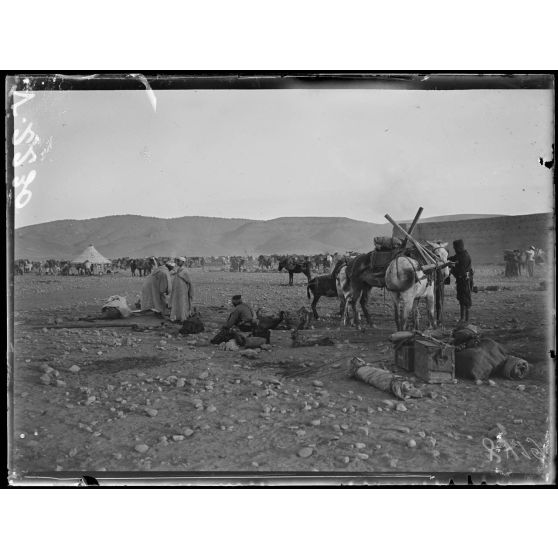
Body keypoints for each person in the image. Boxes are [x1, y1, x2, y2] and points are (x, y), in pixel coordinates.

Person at [448, 239, 473, 323]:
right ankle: (462, 318)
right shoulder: (460, 255)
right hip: (460, 281)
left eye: (455, 247)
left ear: (458, 247)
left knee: (466, 300)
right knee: (461, 299)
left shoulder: (464, 257)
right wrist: (445, 259)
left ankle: (466, 320)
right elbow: (453, 258)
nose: (454, 249)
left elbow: (460, 271)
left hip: (465, 280)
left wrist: (451, 269)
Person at [169, 256, 194, 323]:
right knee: (176, 302)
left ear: (183, 262)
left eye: (178, 261)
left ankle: (183, 317)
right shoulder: (178, 270)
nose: (177, 262)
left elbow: (189, 282)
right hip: (176, 290)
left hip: (183, 291)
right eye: (177, 261)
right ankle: (176, 317)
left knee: (182, 303)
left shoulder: (185, 271)